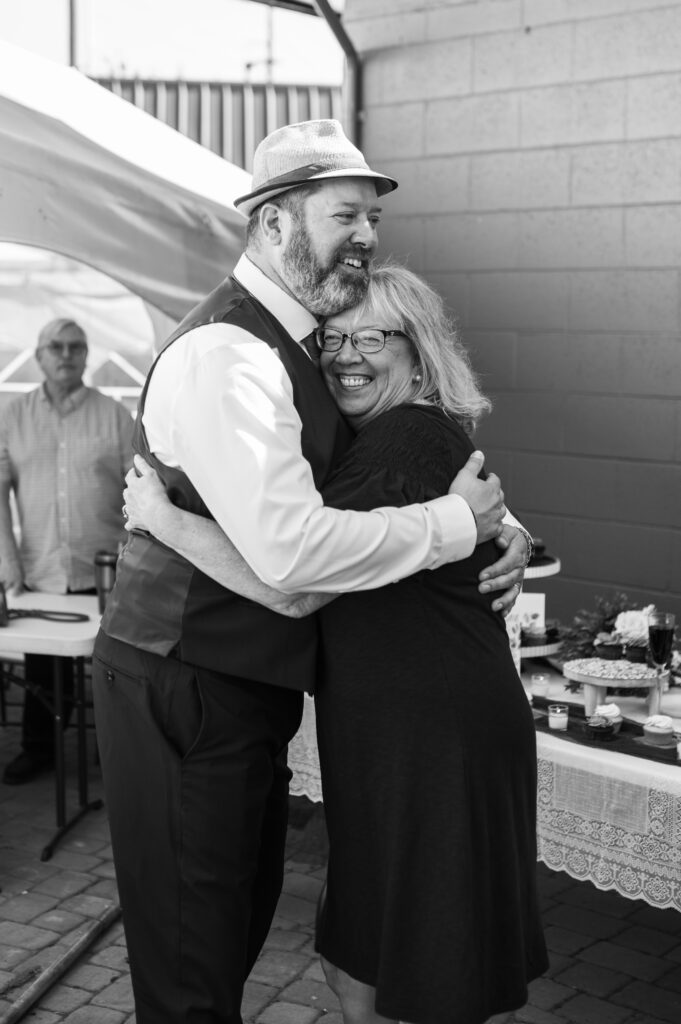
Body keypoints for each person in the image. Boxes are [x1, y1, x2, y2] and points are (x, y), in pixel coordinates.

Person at [92, 119, 531, 1024]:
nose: (367, 236)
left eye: (373, 217)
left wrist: (502, 524)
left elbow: (379, 470)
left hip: (253, 690)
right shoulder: (230, 354)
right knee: (192, 964)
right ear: (275, 221)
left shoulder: (296, 343)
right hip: (188, 683)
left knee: (227, 935)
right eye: (346, 215)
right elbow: (293, 563)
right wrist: (459, 523)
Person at [0, 318, 134, 785]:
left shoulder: (115, 415)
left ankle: (112, 752)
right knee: (43, 666)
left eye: (76, 346)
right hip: (41, 566)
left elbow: (137, 490)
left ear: (86, 355)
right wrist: (8, 559)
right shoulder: (10, 417)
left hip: (105, 569)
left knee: (113, 665)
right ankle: (39, 750)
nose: (66, 354)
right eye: (55, 346)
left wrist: (131, 557)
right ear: (39, 355)